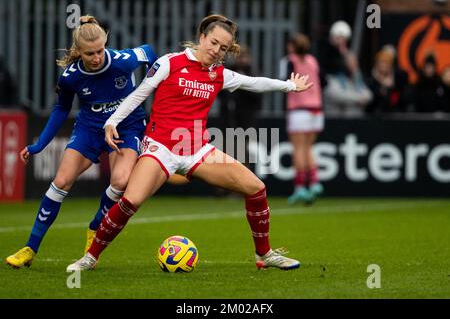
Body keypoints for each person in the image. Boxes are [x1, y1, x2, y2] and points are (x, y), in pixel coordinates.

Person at [67, 14, 313, 272]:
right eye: (214, 42)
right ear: (202, 37)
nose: (217, 51)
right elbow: (139, 94)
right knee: (131, 201)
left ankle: (264, 254)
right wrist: (112, 121)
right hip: (160, 148)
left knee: (256, 188)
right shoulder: (169, 62)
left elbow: (254, 83)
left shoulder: (219, 74)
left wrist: (289, 86)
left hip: (196, 150)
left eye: (224, 48)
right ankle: (90, 257)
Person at [5, 15, 185, 269]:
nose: (97, 57)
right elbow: (60, 109)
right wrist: (38, 146)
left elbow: (149, 51)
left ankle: (94, 227)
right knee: (61, 181)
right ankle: (30, 248)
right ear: (78, 51)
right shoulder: (70, 76)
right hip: (90, 127)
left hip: (127, 124)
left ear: (106, 44)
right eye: (90, 53)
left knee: (121, 181)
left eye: (100, 50)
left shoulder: (123, 61)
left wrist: (160, 85)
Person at [280, 34, 324, 205]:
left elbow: (283, 82)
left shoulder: (289, 60)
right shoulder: (313, 60)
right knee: (308, 148)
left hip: (299, 109)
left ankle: (300, 187)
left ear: (292, 47)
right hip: (317, 109)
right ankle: (314, 182)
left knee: (298, 148)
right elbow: (323, 81)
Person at [321, 20, 372, 117]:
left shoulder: (355, 79)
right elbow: (337, 94)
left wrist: (356, 71)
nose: (353, 63)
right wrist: (359, 99)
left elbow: (368, 95)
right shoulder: (331, 79)